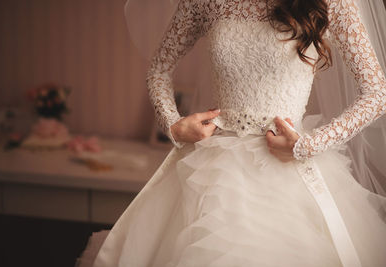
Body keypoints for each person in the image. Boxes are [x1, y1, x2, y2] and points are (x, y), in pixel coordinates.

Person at [92, 0, 386, 266]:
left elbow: (377, 93)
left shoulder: (332, 2)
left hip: (290, 168)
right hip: (213, 170)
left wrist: (309, 145)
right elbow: (159, 68)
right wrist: (173, 123)